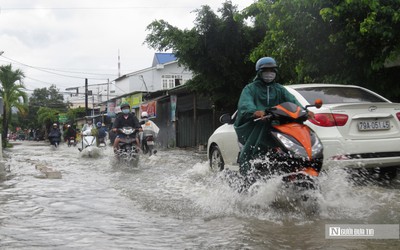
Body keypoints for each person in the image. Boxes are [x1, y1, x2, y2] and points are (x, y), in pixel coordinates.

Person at [234, 56, 313, 176]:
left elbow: (293, 101)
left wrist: (304, 112)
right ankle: (246, 173)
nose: (269, 73)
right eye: (266, 70)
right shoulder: (250, 89)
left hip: (278, 125)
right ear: (259, 72)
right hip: (256, 126)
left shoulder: (280, 90)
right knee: (249, 150)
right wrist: (255, 111)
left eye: (272, 70)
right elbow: (245, 104)